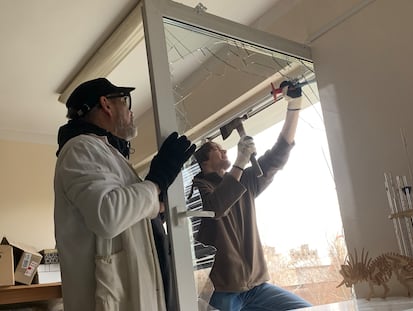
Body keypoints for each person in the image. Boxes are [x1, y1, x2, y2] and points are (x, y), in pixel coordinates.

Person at [54, 77, 195, 311]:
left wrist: (158, 208)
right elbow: (107, 216)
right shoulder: (80, 148)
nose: (130, 111)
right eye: (125, 102)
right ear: (106, 104)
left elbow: (126, 216)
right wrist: (157, 181)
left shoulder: (105, 154)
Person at [190, 81, 312, 311]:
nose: (224, 150)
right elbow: (216, 207)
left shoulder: (245, 180)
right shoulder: (199, 189)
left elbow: (278, 156)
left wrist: (294, 106)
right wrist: (240, 160)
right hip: (223, 291)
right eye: (217, 149)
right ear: (204, 161)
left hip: (257, 287)